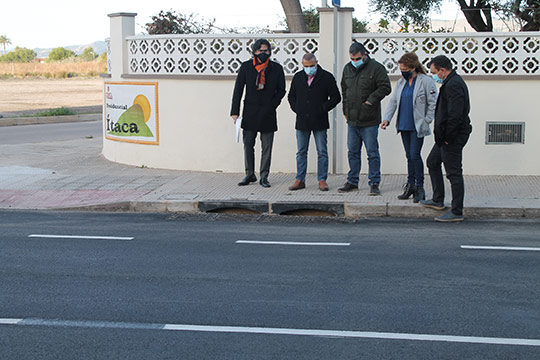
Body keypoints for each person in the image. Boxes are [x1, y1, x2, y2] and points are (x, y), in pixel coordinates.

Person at [420, 55, 472, 222]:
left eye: (434, 72)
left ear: (442, 70)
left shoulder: (454, 85)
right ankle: (437, 199)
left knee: (454, 173)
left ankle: (457, 211)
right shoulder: (450, 83)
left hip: (452, 137)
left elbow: (455, 115)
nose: (434, 76)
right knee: (433, 162)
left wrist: (448, 137)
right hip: (444, 137)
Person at [381, 52, 437, 203]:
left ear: (413, 67)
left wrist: (427, 120)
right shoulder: (401, 83)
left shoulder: (425, 81)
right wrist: (387, 118)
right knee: (409, 156)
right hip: (404, 124)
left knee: (415, 155)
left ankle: (420, 187)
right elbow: (393, 101)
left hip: (417, 125)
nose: (403, 72)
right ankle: (410, 185)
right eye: (401, 69)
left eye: (405, 69)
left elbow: (433, 103)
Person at [230, 39, 286, 188]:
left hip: (268, 112)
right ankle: (249, 173)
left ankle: (264, 176)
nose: (263, 53)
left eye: (266, 51)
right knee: (248, 144)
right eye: (260, 51)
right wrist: (234, 112)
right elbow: (238, 89)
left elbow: (281, 90)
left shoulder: (276, 68)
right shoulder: (246, 67)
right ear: (254, 52)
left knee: (267, 146)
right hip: (250, 111)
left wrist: (272, 105)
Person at [338, 42, 391, 195]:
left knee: (372, 152)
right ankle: (352, 181)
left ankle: (374, 183)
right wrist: (345, 110)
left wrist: (370, 100)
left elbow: (385, 87)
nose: (355, 62)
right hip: (352, 119)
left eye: (357, 58)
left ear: (365, 54)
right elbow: (344, 90)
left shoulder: (376, 68)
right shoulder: (347, 68)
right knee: (353, 152)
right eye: (352, 59)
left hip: (369, 119)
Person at [287, 53, 341, 191]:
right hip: (302, 120)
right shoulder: (298, 77)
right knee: (301, 151)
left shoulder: (326, 77)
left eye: (311, 66)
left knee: (322, 151)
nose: (309, 69)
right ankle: (300, 179)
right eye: (306, 66)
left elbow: (336, 97)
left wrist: (323, 108)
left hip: (319, 120)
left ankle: (322, 180)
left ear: (316, 63)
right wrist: (297, 109)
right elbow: (291, 96)